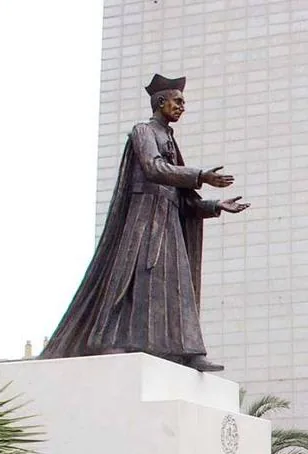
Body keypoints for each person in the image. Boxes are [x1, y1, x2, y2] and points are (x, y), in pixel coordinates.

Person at [41, 74, 249, 372]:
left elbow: (184, 198)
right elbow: (154, 168)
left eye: (183, 102)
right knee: (136, 279)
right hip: (144, 217)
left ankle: (188, 351)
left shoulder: (171, 140)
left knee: (178, 284)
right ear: (160, 102)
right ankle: (111, 339)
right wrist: (201, 175)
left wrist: (216, 205)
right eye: (178, 101)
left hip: (168, 220)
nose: (182, 107)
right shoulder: (143, 131)